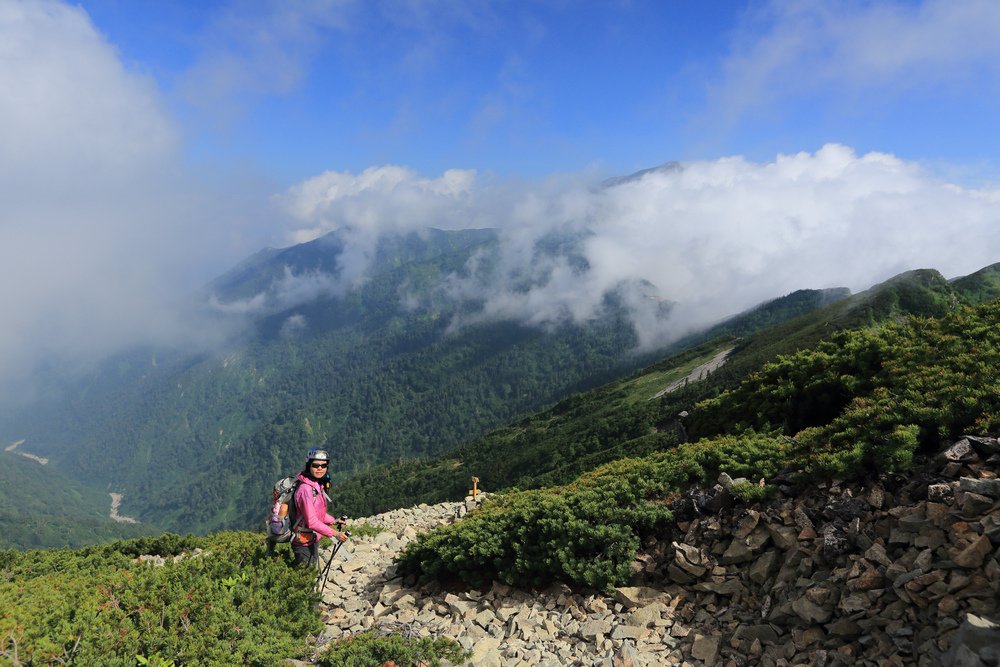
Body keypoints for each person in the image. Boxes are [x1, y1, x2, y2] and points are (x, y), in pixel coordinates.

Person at [292, 448, 348, 568]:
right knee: (305, 577)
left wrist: (333, 521)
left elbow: (318, 513)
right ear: (308, 466)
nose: (320, 468)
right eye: (315, 465)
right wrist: (335, 534)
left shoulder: (317, 484)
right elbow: (311, 521)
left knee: (310, 573)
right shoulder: (306, 489)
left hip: (311, 538)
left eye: (323, 465)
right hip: (303, 541)